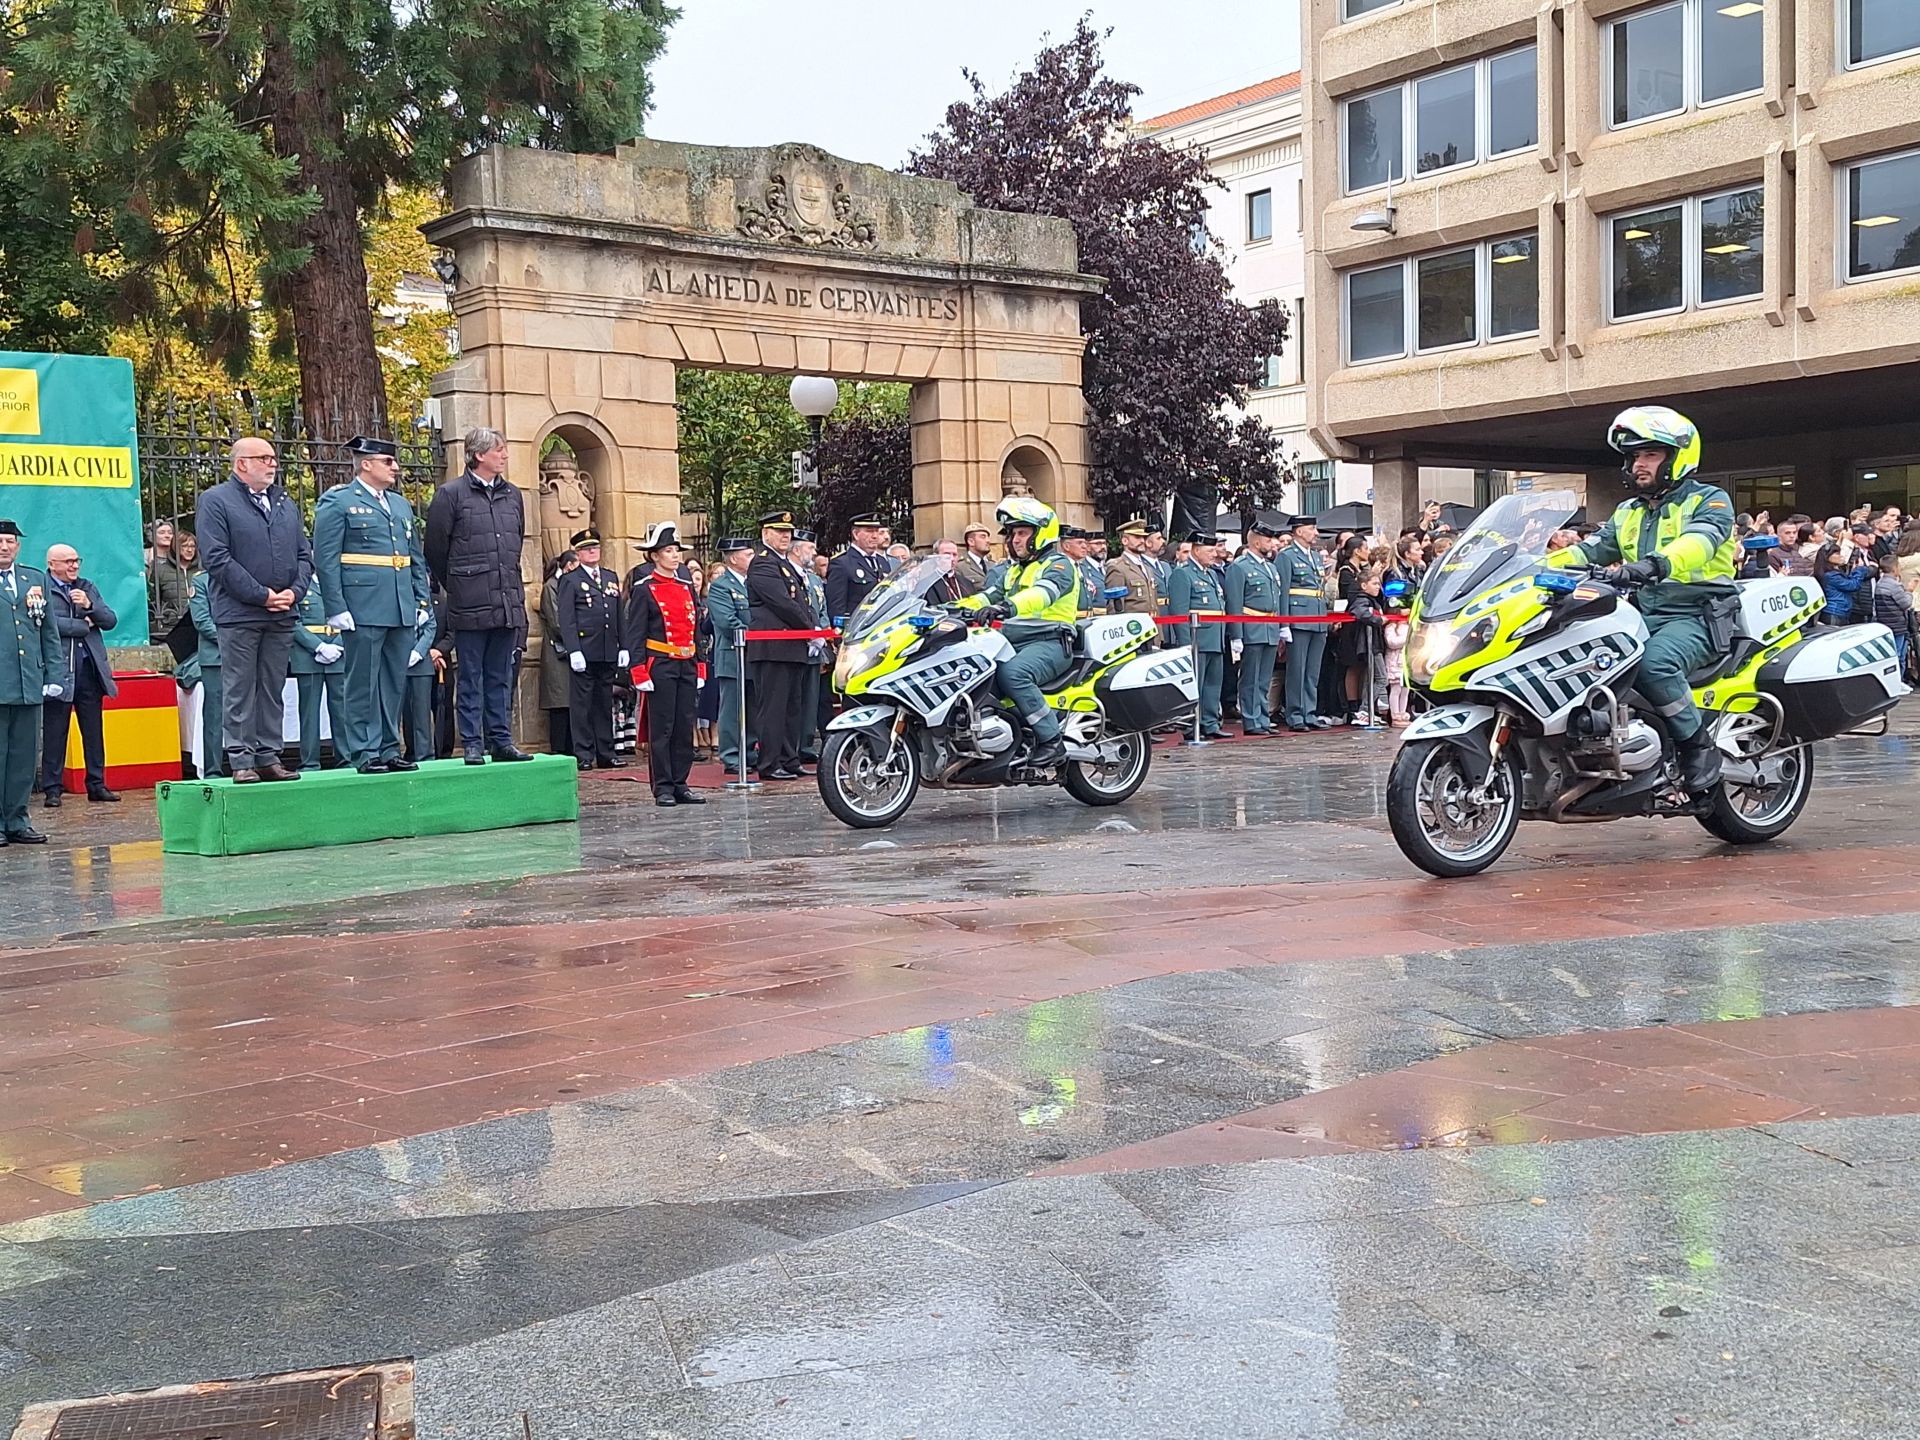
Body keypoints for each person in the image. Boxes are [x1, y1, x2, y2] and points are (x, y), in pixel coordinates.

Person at [1546, 405, 1737, 795]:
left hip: (1699, 614)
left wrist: (1655, 565)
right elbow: (1590, 550)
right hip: (1642, 613)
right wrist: (1534, 566)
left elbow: (1699, 543)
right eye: (1633, 456)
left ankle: (1696, 746)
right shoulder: (1627, 512)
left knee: (1654, 664)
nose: (1638, 464)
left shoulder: (1710, 501)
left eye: (1649, 454)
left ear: (1677, 457)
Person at [194, 436, 311, 783]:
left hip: (282, 612)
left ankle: (268, 755)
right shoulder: (216, 501)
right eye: (264, 458)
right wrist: (261, 595)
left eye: (274, 457)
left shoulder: (285, 503)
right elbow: (217, 558)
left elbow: (304, 555)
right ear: (241, 463)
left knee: (272, 687)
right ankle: (241, 758)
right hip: (240, 612)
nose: (272, 464)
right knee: (240, 687)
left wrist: (294, 592)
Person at [311, 437, 430, 775]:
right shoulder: (339, 501)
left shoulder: (401, 505)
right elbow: (326, 557)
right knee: (362, 680)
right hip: (362, 605)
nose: (395, 468)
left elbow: (413, 558)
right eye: (387, 462)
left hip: (399, 604)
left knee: (393, 682)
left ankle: (390, 748)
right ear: (365, 464)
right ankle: (364, 752)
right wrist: (336, 606)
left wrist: (420, 600)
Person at [426, 426, 532, 765]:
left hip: (505, 600)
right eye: (498, 450)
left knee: (501, 675)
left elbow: (515, 541)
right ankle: (472, 742)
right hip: (469, 600)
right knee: (471, 675)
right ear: (478, 455)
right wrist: (460, 584)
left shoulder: (512, 495)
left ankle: (501, 739)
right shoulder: (451, 494)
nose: (504, 455)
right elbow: (436, 549)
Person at [955, 496, 1081, 768]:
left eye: (1022, 533)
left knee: (1014, 673)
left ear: (1042, 533)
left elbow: (1043, 594)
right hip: (1014, 642)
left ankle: (1052, 741)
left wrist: (1006, 608)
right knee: (976, 675)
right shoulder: (1014, 571)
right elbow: (986, 596)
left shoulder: (1059, 565)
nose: (1015, 540)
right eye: (1013, 534)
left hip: (1051, 642)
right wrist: (945, 609)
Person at [626, 522, 706, 807]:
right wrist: (638, 670)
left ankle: (680, 782)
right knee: (663, 728)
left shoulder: (686, 587)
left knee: (685, 726)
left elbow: (695, 628)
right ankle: (662, 786)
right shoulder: (644, 589)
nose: (675, 556)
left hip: (685, 662)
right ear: (654, 556)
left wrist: (700, 665)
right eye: (668, 551)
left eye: (676, 551)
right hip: (660, 662)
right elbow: (634, 633)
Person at [38, 543, 120, 806]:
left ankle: (96, 784)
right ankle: (52, 789)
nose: (73, 566)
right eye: (67, 561)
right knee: (55, 731)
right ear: (52, 564)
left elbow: (109, 620)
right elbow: (45, 624)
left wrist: (90, 606)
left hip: (89, 669)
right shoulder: (42, 587)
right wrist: (82, 625)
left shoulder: (86, 586)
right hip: (59, 670)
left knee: (93, 731)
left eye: (76, 560)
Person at [0, 519, 66, 843]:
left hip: (28, 683)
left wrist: (54, 674)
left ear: (18, 546)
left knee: (25, 758)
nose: (4, 546)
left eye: (10, 541)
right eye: (0, 541)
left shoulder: (33, 578)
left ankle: (17, 819)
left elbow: (48, 633)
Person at [747, 511, 817, 781]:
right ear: (766, 534)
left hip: (791, 645)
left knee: (792, 707)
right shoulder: (764, 564)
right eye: (779, 531)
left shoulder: (784, 564)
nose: (785, 536)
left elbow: (801, 602)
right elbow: (782, 603)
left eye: (788, 532)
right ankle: (769, 762)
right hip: (773, 645)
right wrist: (810, 627)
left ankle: (789, 758)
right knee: (773, 707)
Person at [556, 528, 628, 771]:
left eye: (595, 547)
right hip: (584, 651)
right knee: (582, 706)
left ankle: (606, 753)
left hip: (607, 649)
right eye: (587, 549)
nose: (592, 552)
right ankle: (584, 754)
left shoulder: (609, 577)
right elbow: (567, 619)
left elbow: (618, 614)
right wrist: (573, 649)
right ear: (578, 553)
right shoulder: (570, 580)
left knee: (603, 704)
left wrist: (623, 645)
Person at [1225, 522, 1285, 735]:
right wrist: (1237, 635)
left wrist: (1280, 627)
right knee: (1250, 677)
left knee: (1264, 678)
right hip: (1251, 626)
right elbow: (1234, 602)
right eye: (1268, 540)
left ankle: (1263, 717)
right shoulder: (1239, 567)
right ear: (1256, 541)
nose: (1272, 544)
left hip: (1269, 626)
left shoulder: (1270, 567)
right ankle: (1251, 720)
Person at [1165, 532, 1227, 738]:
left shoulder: (1209, 573)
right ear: (1196, 550)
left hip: (1214, 636)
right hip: (1197, 638)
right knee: (1196, 685)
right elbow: (1180, 611)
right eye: (1209, 551)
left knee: (1212, 683)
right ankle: (1193, 725)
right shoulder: (1183, 574)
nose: (1214, 554)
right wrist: (1186, 643)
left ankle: (1210, 723)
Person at [1276, 515, 1334, 731]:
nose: (1316, 533)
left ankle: (1309, 712)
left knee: (1312, 670)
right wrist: (1284, 623)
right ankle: (1295, 714)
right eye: (1312, 529)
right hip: (1298, 618)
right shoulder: (1286, 556)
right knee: (1297, 669)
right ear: (1299, 531)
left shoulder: (1316, 557)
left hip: (1317, 617)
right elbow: (1282, 592)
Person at [287, 580, 347, 771]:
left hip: (339, 653)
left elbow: (353, 614)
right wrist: (319, 647)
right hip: (307, 655)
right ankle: (310, 761)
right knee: (309, 712)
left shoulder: (341, 582)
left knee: (342, 710)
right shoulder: (298, 584)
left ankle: (346, 758)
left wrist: (338, 645)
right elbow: (293, 621)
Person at [707, 537, 755, 776]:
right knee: (732, 709)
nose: (752, 558)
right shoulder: (721, 586)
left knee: (753, 707)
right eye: (748, 554)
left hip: (754, 655)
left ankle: (749, 751)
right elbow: (727, 622)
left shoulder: (753, 583)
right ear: (734, 558)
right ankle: (732, 755)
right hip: (732, 655)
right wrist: (757, 635)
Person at [790, 530, 831, 761]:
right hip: (796, 644)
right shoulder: (789, 576)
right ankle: (792, 746)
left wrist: (822, 633)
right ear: (797, 550)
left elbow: (822, 609)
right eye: (810, 549)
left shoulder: (814, 579)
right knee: (794, 699)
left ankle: (806, 744)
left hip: (816, 645)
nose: (814, 553)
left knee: (811, 698)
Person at [537, 551, 578, 758]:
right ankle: (559, 748)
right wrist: (577, 638)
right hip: (558, 652)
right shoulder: (551, 587)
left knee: (572, 702)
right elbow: (556, 621)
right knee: (559, 701)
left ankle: (572, 748)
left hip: (572, 650)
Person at [403, 591, 447, 763]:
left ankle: (425, 755)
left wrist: (418, 652)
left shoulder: (423, 599)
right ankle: (398, 754)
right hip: (397, 661)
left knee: (422, 715)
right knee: (401, 714)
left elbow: (430, 627)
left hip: (420, 663)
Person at [825, 513, 889, 624]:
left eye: (876, 531)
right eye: (869, 531)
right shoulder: (841, 564)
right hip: (856, 629)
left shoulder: (882, 562)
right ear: (855, 534)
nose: (875, 536)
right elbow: (836, 607)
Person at [188, 577, 223, 779]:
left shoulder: (242, 578)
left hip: (244, 655)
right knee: (214, 715)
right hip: (215, 657)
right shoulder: (201, 581)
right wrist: (232, 641)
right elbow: (201, 620)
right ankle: (213, 769)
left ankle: (248, 763)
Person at [149, 523, 197, 644]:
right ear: (176, 547)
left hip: (198, 626)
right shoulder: (161, 570)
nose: (189, 549)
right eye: (185, 546)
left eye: (192, 546)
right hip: (170, 628)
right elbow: (154, 600)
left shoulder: (201, 571)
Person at [1104, 518, 1161, 617]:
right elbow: (1114, 607)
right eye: (1137, 537)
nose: (1142, 541)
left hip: (1152, 626)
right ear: (1125, 541)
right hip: (1132, 628)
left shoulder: (1147, 568)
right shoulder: (1117, 568)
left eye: (1143, 537)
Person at [1815, 535, 1870, 625]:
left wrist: (1853, 571)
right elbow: (1853, 585)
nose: (1840, 556)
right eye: (1836, 554)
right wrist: (1860, 569)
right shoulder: (1830, 576)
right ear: (1826, 557)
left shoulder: (1833, 572)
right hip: (1834, 612)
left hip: (1840, 611)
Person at [1871, 561, 1914, 672]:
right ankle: (1898, 682)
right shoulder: (1894, 586)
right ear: (1894, 569)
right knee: (1898, 655)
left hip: (1885, 623)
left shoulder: (1879, 583)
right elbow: (1905, 603)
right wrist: (1909, 591)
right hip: (1897, 625)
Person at [1063, 527, 1106, 618]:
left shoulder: (1082, 568)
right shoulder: (1063, 568)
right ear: (1066, 546)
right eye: (1080, 543)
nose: (1084, 546)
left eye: (1084, 543)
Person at [954, 522, 995, 596]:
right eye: (983, 537)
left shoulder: (993, 565)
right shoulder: (960, 567)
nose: (988, 541)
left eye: (988, 537)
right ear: (971, 542)